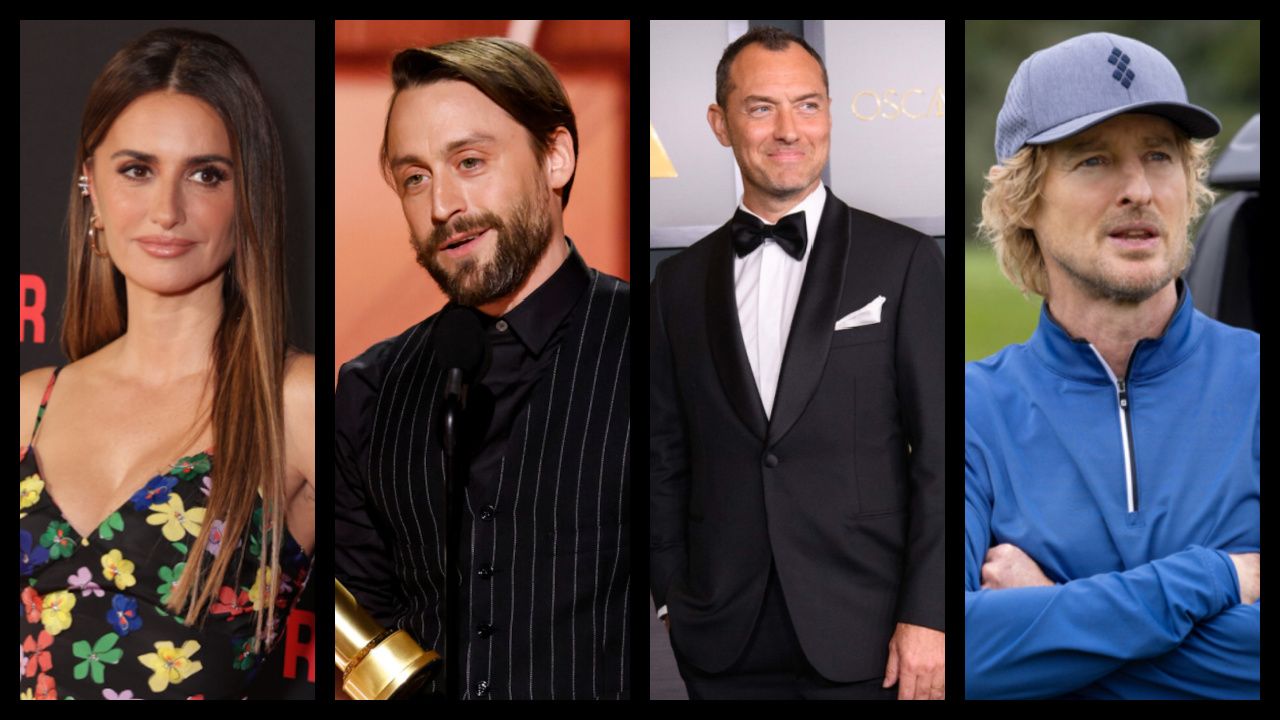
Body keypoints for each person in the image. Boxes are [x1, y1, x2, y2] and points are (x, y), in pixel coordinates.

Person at [649, 27, 945, 700]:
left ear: (831, 115)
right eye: (761, 108)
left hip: (871, 633)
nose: (789, 129)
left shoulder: (902, 261)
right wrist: (672, 596)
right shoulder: (676, 287)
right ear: (719, 124)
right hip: (721, 639)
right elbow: (663, 456)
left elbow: (939, 454)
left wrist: (929, 614)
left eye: (808, 105)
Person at [19, 28, 314, 701]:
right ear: (89, 181)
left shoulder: (292, 404)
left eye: (206, 174)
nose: (166, 210)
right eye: (137, 169)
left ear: (249, 194)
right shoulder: (32, 403)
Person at [334, 37, 630, 700]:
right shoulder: (369, 389)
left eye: (470, 161)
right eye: (414, 178)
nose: (442, 205)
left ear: (556, 157)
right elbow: (362, 634)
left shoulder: (657, 345)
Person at [967, 31, 1260, 699]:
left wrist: (1053, 610)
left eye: (1159, 156)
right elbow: (968, 654)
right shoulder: (974, 411)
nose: (1138, 189)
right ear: (1024, 202)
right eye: (1093, 159)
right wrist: (1214, 580)